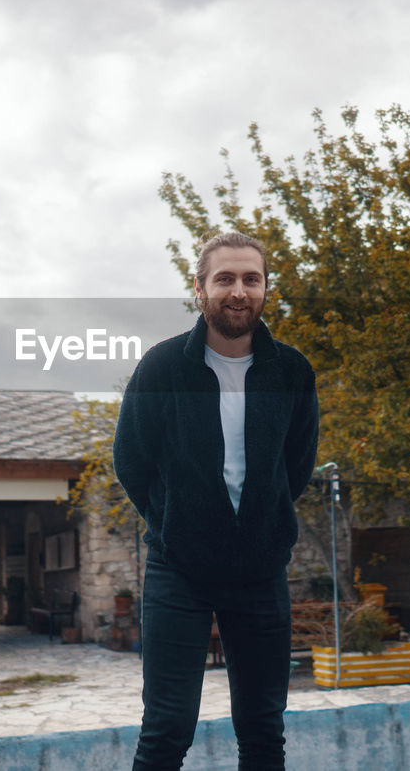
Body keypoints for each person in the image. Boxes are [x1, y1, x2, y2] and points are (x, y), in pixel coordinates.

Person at [114, 231, 319, 770]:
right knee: (165, 730)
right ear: (200, 287)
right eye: (224, 278)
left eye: (251, 279)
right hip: (177, 569)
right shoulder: (162, 367)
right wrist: (176, 522)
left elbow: (294, 466)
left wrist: (260, 523)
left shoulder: (292, 371)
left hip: (260, 570)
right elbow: (130, 460)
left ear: (265, 289)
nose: (238, 290)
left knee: (262, 733)